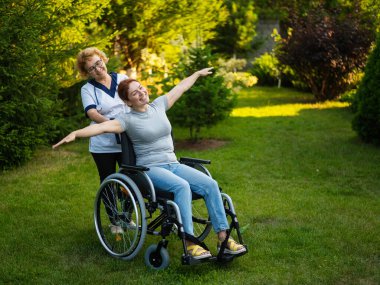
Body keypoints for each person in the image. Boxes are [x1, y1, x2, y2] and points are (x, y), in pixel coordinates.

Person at [53, 67, 246, 259]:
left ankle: (223, 238)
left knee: (210, 185)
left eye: (141, 88)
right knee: (182, 187)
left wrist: (196, 75)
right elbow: (101, 127)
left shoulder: (159, 105)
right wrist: (75, 134)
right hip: (150, 169)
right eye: (135, 92)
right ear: (128, 101)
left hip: (173, 164)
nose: (141, 92)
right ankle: (189, 242)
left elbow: (180, 88)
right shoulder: (126, 120)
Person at [76, 47, 129, 183]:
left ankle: (128, 205)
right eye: (92, 68)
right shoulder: (87, 89)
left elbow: (134, 101)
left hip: (127, 138)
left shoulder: (123, 79)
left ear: (103, 59)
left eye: (98, 63)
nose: (98, 69)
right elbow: (92, 112)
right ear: (87, 73)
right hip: (103, 144)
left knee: (131, 178)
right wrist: (113, 125)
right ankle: (111, 205)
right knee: (108, 180)